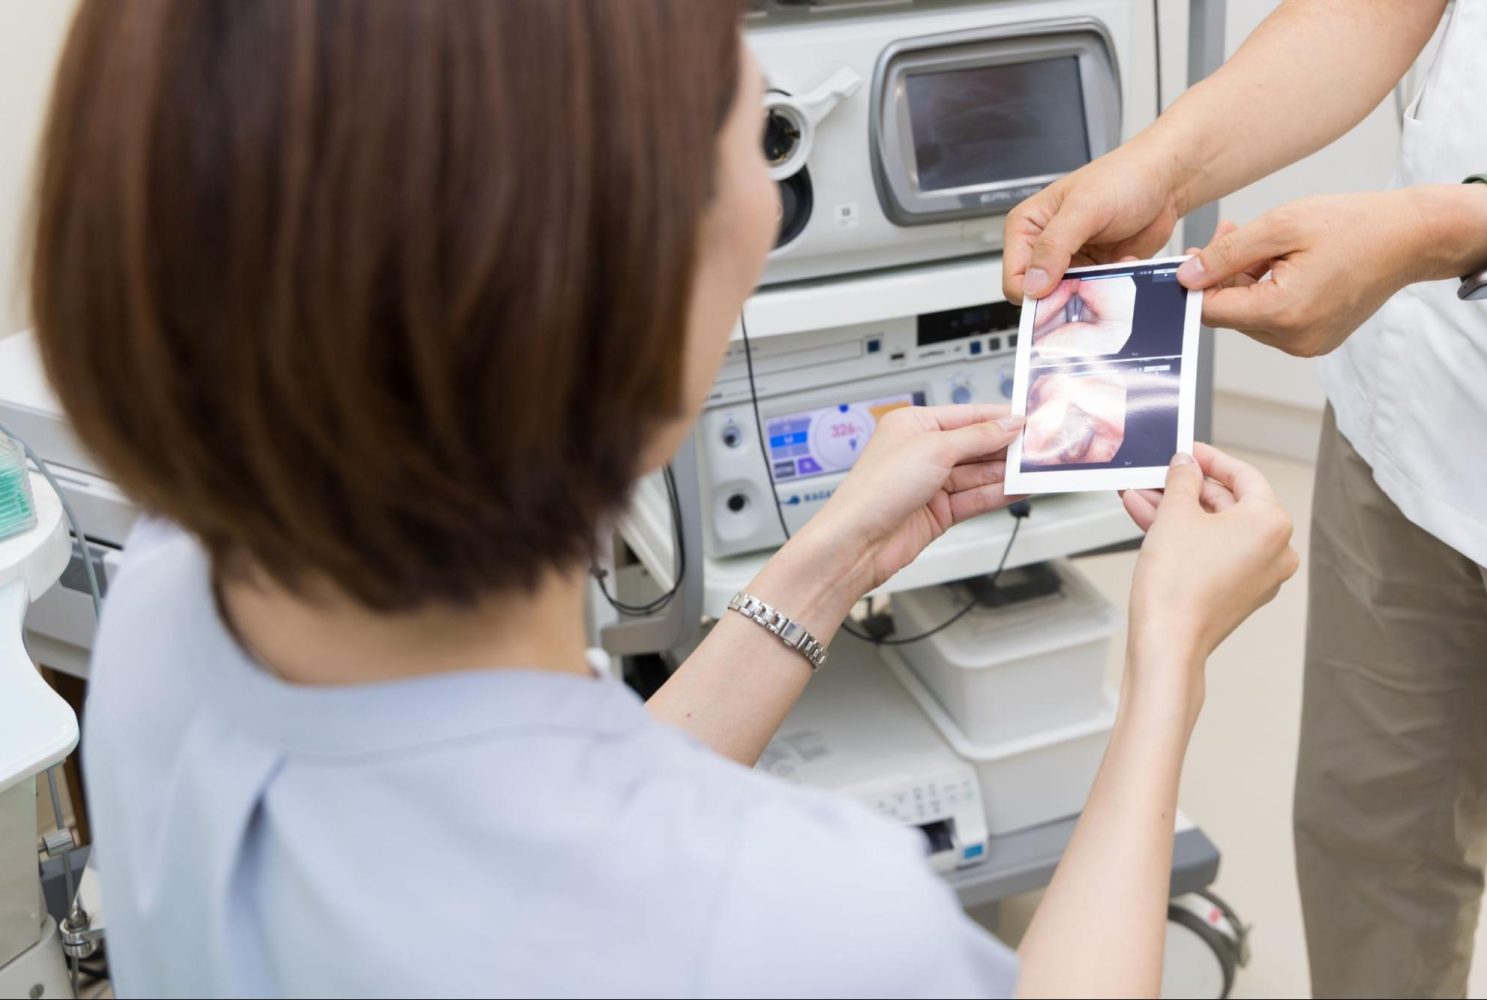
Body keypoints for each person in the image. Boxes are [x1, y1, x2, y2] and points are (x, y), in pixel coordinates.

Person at [30, 2, 1295, 996]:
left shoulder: (165, 598)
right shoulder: (814, 926)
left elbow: (544, 829)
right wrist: (1166, 661)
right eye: (752, 140)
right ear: (620, 289)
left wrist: (826, 561)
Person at [1001, 1, 1487, 995]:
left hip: (1438, 279)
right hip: (1419, 408)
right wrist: (1166, 165)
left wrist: (1455, 227)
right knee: (1371, 843)